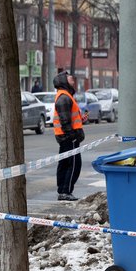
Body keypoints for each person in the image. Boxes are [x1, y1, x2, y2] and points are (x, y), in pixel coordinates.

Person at [52, 70, 85, 201]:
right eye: (70, 78)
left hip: (66, 137)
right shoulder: (64, 97)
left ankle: (62, 191)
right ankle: (66, 191)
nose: (72, 80)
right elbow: (64, 120)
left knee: (65, 164)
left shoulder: (65, 96)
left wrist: (81, 120)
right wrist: (73, 135)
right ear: (64, 82)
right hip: (69, 138)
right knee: (74, 165)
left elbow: (69, 118)